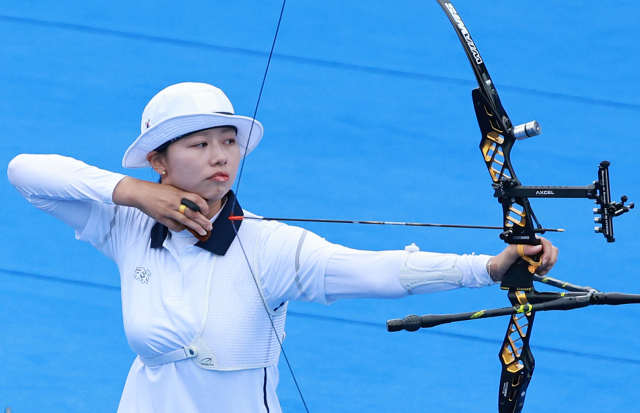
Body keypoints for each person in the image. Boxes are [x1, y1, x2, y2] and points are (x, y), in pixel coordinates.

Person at [7, 82, 558, 412]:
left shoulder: (269, 246)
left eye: (229, 141)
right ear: (159, 161)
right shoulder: (127, 225)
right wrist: (132, 194)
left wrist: (488, 267)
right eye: (199, 144)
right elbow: (25, 172)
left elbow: (375, 271)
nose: (221, 155)